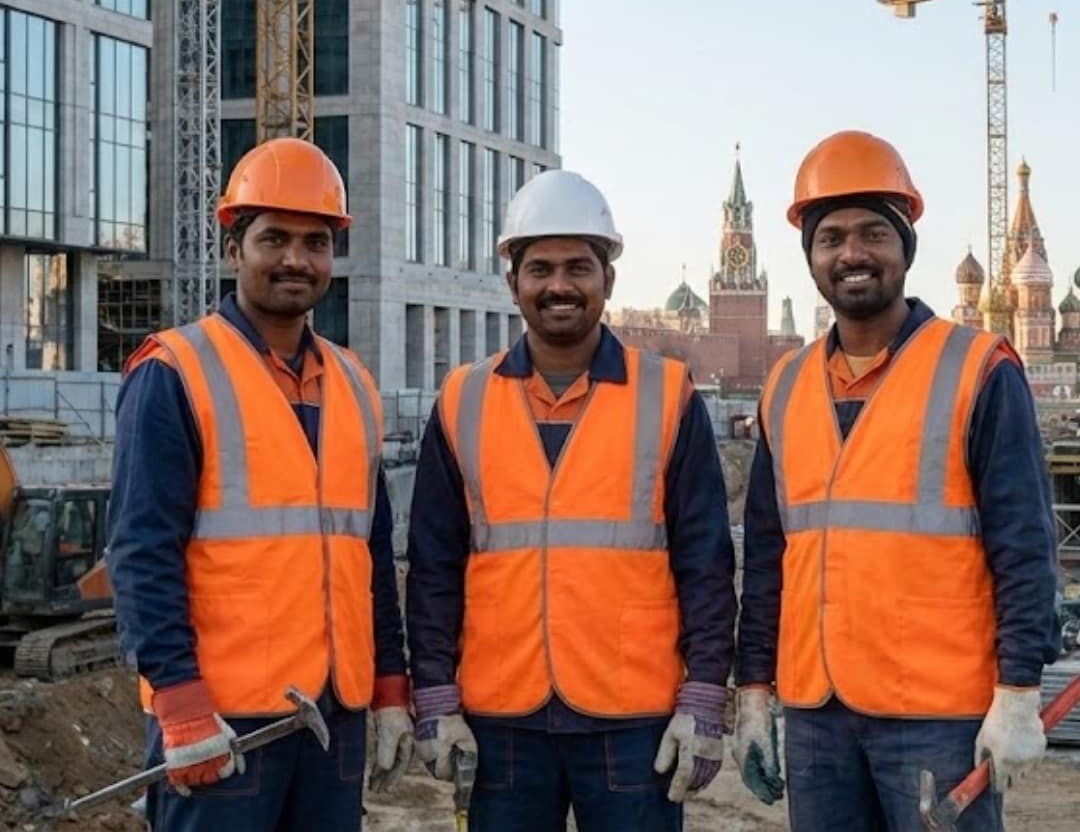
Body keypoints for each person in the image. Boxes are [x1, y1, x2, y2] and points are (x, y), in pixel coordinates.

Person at [733, 130, 1060, 831]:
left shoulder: (978, 369)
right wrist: (754, 692)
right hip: (817, 714)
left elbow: (1024, 542)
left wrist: (1020, 691)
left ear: (906, 246)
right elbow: (767, 556)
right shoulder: (785, 386)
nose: (851, 253)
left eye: (874, 232)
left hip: (935, 713)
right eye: (831, 238)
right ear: (812, 258)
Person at [406, 170, 736, 832]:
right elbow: (434, 566)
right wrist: (435, 694)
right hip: (500, 722)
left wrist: (704, 695)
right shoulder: (462, 401)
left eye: (579, 267)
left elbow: (705, 562)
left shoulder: (667, 396)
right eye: (540, 268)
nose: (559, 285)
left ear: (607, 279)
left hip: (634, 720)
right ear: (513, 282)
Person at [107, 138, 413, 831]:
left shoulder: (355, 386)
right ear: (233, 248)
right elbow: (140, 552)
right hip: (222, 722)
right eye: (273, 238)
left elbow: (371, 559)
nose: (295, 259)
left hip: (331, 719)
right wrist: (180, 703)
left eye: (315, 241)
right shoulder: (175, 372)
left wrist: (390, 686)